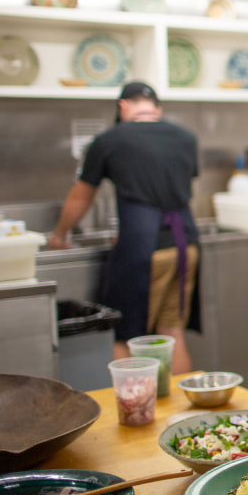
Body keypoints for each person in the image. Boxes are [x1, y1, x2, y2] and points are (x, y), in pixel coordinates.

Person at [48, 81, 200, 374]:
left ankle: (130, 414)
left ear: (122, 106)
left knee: (126, 335)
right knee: (173, 332)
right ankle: (182, 413)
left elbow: (82, 196)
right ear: (157, 108)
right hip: (186, 243)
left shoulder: (109, 140)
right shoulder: (186, 138)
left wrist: (60, 234)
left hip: (143, 248)